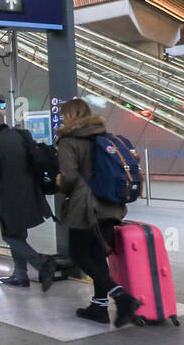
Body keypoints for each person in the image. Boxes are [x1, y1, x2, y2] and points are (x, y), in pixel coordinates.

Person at [55, 98, 142, 326]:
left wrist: (58, 182)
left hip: (86, 207)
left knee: (79, 253)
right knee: (96, 256)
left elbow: (70, 178)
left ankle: (122, 298)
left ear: (69, 117)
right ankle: (99, 308)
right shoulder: (102, 136)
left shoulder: (68, 141)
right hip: (110, 205)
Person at [0, 108, 54, 290]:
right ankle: (20, 275)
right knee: (18, 234)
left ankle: (41, 263)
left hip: (8, 197)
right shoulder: (21, 135)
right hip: (30, 192)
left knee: (9, 235)